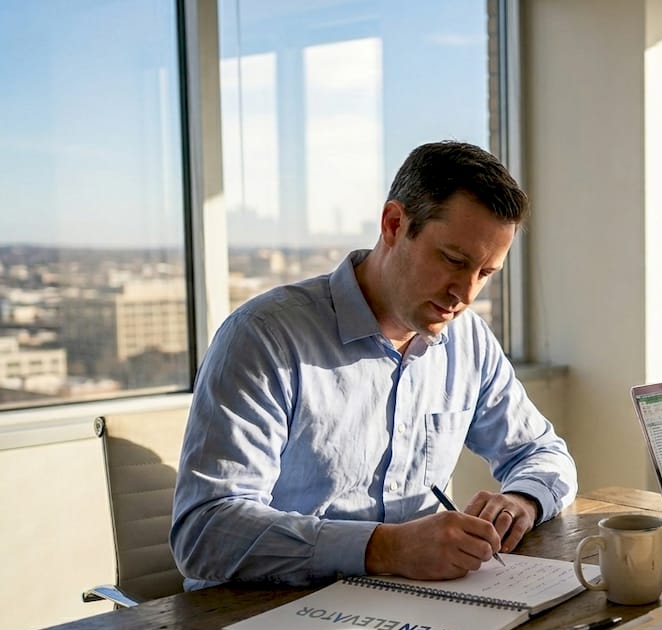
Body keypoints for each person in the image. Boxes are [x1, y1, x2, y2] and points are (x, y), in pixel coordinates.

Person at [171, 141, 577, 589]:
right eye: (454, 261)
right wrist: (387, 548)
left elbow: (543, 453)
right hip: (261, 613)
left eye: (485, 274)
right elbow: (206, 532)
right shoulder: (265, 337)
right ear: (394, 224)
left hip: (408, 607)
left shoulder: (467, 340)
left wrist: (522, 500)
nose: (465, 294)